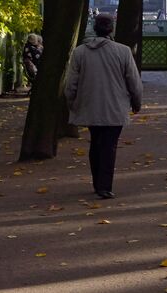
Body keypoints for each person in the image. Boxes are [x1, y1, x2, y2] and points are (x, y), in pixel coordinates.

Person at [65, 14, 143, 199]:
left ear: (95, 28)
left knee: (96, 143)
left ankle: (97, 182)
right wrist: (136, 102)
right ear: (111, 29)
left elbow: (71, 84)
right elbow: (134, 81)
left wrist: (72, 103)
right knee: (109, 145)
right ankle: (104, 186)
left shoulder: (80, 52)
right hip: (115, 107)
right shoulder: (123, 51)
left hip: (90, 105)